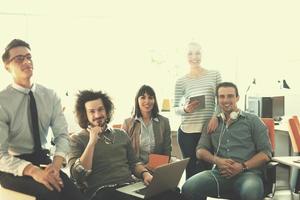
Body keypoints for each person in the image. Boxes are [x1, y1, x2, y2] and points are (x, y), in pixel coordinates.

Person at [0, 39, 84, 200]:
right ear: (7, 66)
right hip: (13, 166)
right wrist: (33, 171)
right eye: (19, 58)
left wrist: (57, 164)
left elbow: (62, 135)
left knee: (74, 194)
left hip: (44, 160)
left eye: (29, 57)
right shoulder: (2, 101)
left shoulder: (50, 95)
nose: (26, 61)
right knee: (49, 193)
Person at [182, 82, 272, 200]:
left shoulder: (253, 121)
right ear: (217, 99)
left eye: (230, 96)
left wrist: (242, 166)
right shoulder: (212, 124)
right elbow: (200, 151)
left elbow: (266, 154)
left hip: (248, 174)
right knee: (189, 187)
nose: (226, 100)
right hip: (219, 174)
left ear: (237, 98)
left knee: (251, 191)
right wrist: (217, 160)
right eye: (222, 96)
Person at [68, 90, 155, 200]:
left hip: (129, 186)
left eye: (100, 109)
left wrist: (145, 174)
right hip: (102, 192)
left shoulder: (121, 134)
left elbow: (134, 163)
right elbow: (77, 176)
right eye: (92, 111)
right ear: (85, 114)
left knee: (170, 194)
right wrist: (91, 143)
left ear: (106, 110)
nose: (98, 115)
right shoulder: (76, 140)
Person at [173, 42, 222, 179]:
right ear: (185, 56)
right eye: (190, 53)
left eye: (197, 53)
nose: (194, 57)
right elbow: (175, 108)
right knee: (191, 172)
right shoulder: (181, 81)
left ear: (202, 54)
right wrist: (185, 109)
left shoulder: (214, 75)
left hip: (208, 130)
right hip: (187, 132)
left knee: (205, 172)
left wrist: (215, 117)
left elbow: (220, 100)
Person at [122, 85, 172, 166]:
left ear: (154, 100)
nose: (147, 101)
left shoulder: (164, 122)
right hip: (136, 169)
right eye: (143, 97)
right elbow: (123, 152)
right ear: (137, 100)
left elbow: (167, 150)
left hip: (157, 167)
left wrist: (162, 168)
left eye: (150, 97)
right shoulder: (128, 123)